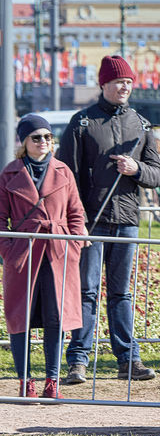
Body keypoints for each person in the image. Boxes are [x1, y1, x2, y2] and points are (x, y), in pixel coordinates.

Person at [57, 55, 160, 384]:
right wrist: (74, 221)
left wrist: (137, 170)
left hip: (127, 217)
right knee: (87, 291)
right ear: (103, 84)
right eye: (118, 81)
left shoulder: (142, 125)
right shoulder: (82, 122)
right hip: (90, 221)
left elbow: (156, 174)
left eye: (129, 82)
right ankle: (78, 360)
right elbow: (66, 174)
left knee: (121, 293)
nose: (125, 86)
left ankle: (128, 359)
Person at [0, 115, 87, 399]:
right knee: (19, 317)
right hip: (23, 253)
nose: (43, 142)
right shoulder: (10, 173)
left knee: (56, 316)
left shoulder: (63, 171)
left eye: (48, 137)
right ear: (24, 142)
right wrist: (9, 250)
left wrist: (72, 247)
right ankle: (26, 381)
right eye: (36, 137)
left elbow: (76, 213)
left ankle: (52, 381)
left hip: (58, 252)